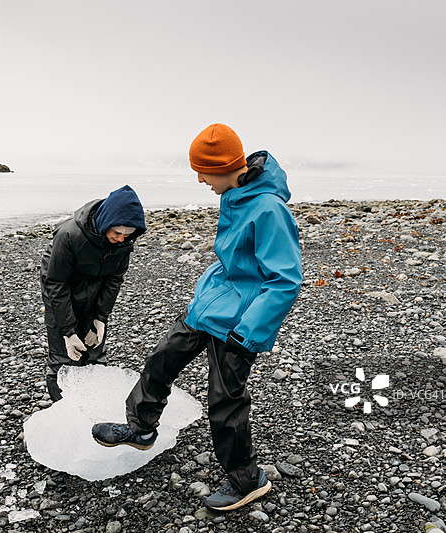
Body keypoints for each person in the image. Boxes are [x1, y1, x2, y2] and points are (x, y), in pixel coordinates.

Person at [92, 124, 302, 512]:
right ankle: (140, 428)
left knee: (225, 401)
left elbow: (285, 280)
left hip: (238, 325)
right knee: (160, 361)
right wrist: (204, 295)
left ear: (226, 166)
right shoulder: (235, 194)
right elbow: (234, 261)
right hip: (208, 307)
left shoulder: (269, 208)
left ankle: (247, 480)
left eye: (204, 171)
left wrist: (249, 332)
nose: (200, 179)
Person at [40, 185, 146, 401]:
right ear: (106, 222)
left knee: (94, 357)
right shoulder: (69, 235)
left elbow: (114, 280)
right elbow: (56, 284)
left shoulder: (124, 242)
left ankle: (94, 411)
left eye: (128, 234)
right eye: (117, 233)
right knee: (64, 361)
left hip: (94, 295)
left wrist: (100, 318)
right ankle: (63, 414)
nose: (121, 239)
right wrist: (68, 332)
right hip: (62, 292)